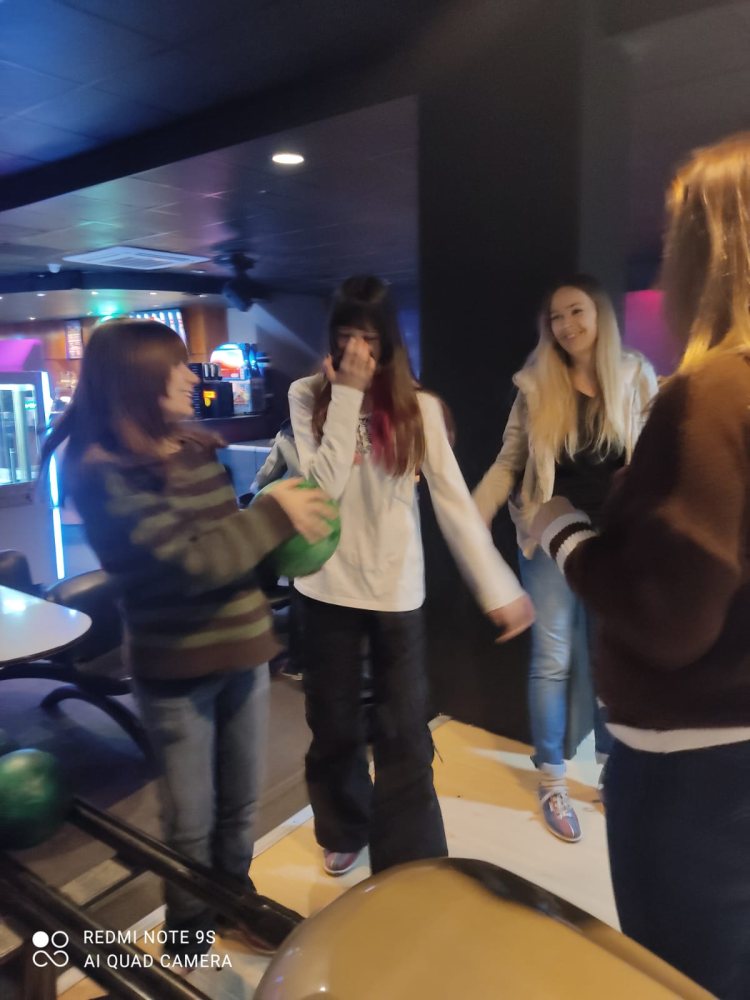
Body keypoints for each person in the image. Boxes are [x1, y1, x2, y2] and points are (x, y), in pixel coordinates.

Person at [531, 133, 750, 998]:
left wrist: (566, 534)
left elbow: (666, 617)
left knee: (682, 977)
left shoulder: (707, 390)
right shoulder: (538, 390)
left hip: (695, 773)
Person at [40, 318, 331, 961]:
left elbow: (231, 549)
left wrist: (285, 535)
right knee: (190, 822)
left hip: (244, 650)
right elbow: (191, 562)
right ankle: (188, 933)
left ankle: (234, 904)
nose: (191, 376)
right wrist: (273, 513)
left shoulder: (194, 447)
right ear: (136, 380)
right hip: (176, 668)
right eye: (176, 366)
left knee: (239, 805)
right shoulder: (100, 471)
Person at [289, 275, 534, 877]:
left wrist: (499, 588)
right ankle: (344, 824)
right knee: (334, 722)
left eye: (369, 339)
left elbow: (453, 502)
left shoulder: (418, 407)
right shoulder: (308, 395)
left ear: (389, 341)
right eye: (346, 336)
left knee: (404, 728)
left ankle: (411, 860)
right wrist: (346, 395)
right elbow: (320, 492)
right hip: (324, 586)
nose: (357, 351)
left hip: (395, 588)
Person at [473, 276, 657, 842]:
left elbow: (656, 456)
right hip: (550, 536)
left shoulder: (635, 375)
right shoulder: (536, 384)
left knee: (610, 658)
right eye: (556, 317)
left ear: (599, 315)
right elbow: (509, 462)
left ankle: (610, 774)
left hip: (615, 542)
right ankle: (552, 780)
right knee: (552, 659)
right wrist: (468, 518)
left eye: (576, 312)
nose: (566, 325)